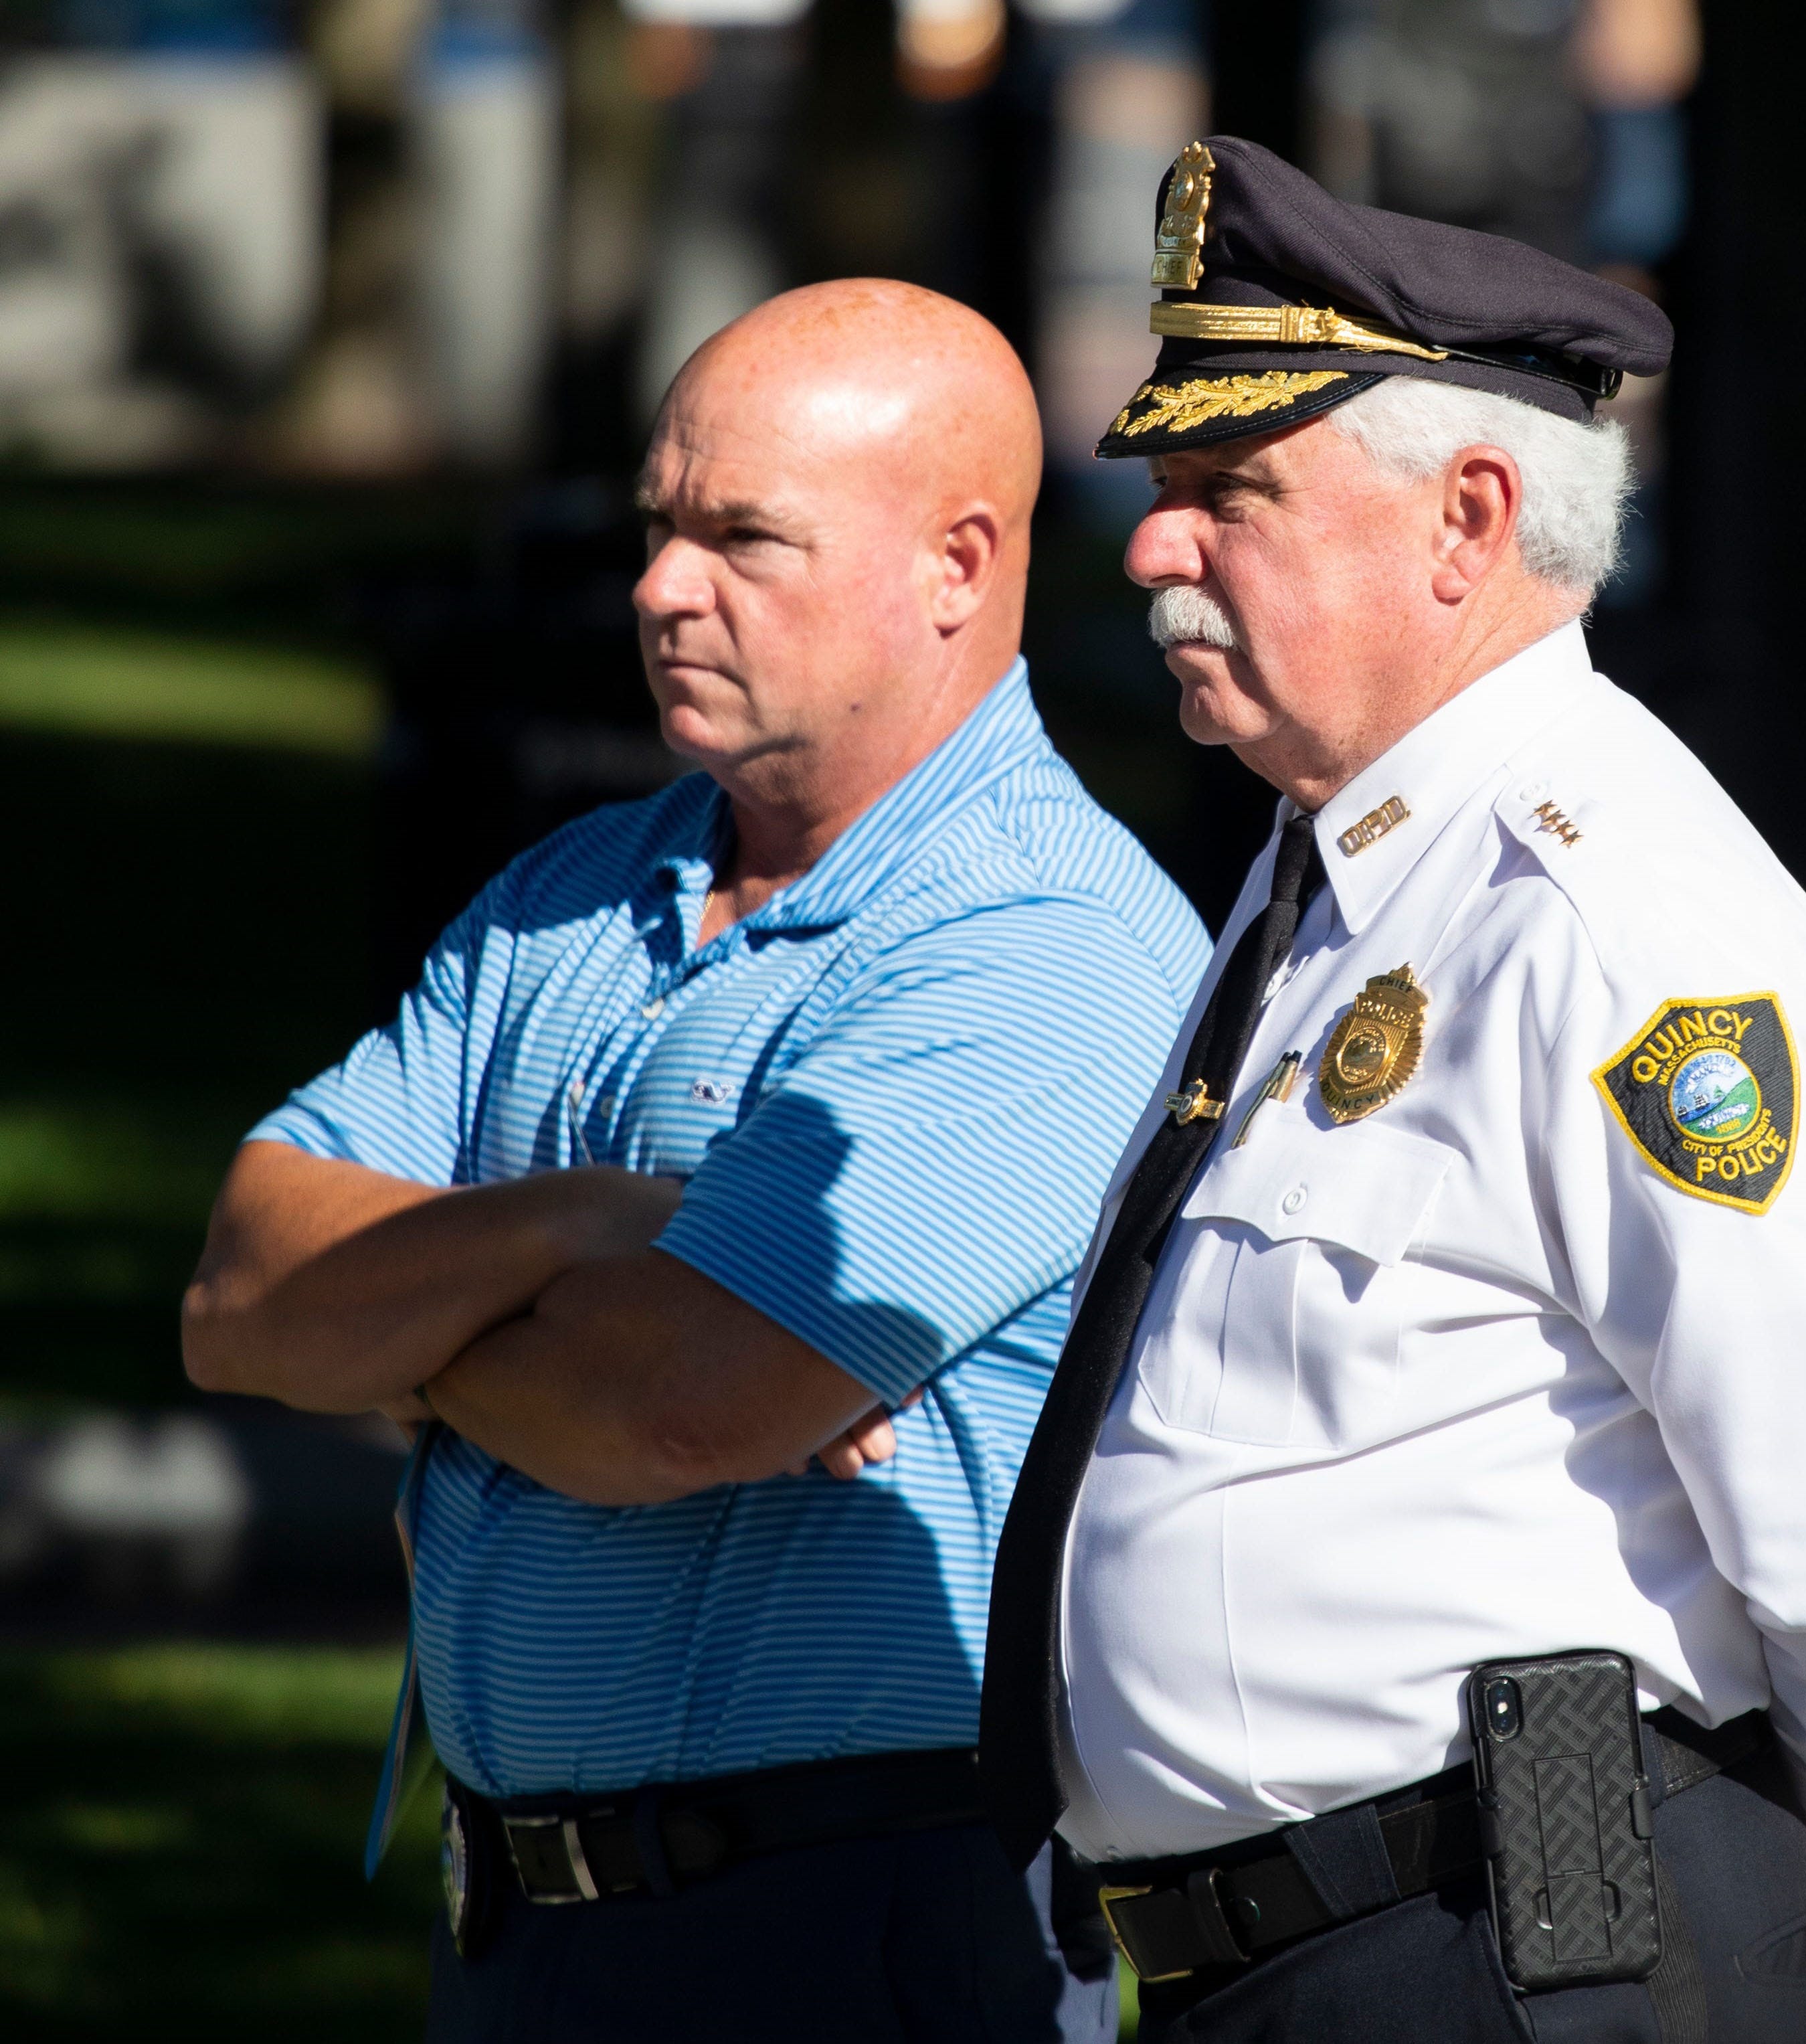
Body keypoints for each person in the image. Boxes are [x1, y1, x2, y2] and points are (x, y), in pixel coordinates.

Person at [978, 137, 1806, 2043]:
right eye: (1159, 489)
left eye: (1231, 491)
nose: (1151, 542)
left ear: (1468, 518)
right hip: (1334, 1965)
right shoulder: (1352, 859)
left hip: (1526, 1958)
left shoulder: (1604, 911)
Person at [183, 278, 1209, 2043]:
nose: (661, 587)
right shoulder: (576, 889)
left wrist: (415, 1328)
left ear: (958, 565)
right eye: (662, 525)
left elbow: (669, 1408)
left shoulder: (1044, 940)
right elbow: (240, 1296)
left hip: (845, 1928)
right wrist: (586, 1226)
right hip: (525, 1926)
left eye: (742, 536)